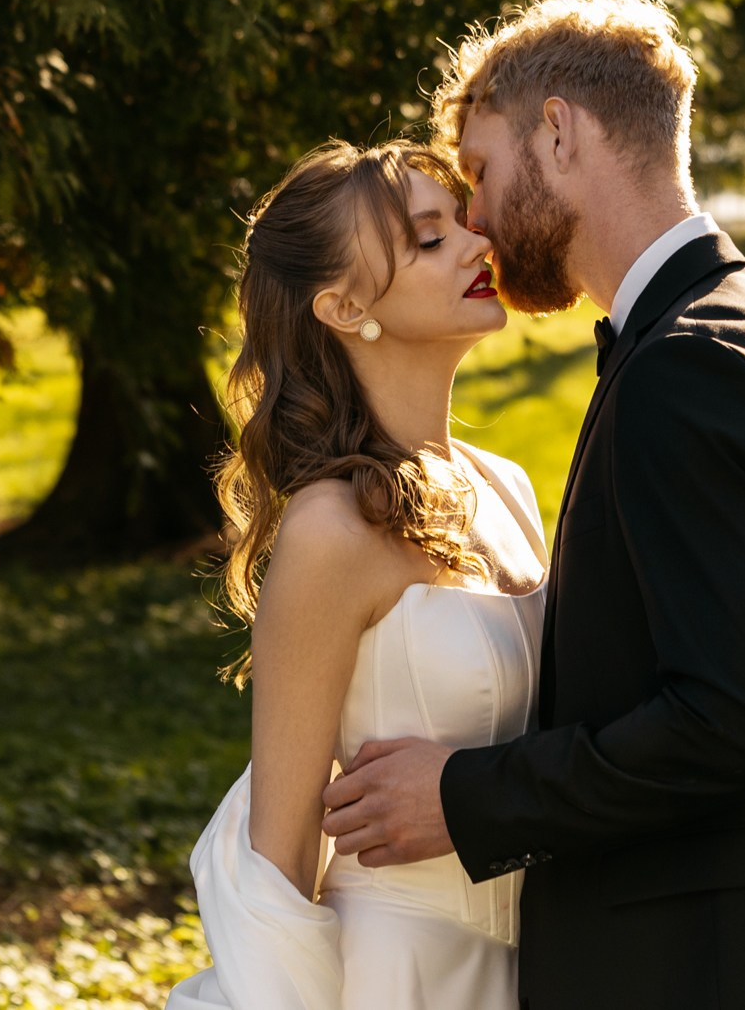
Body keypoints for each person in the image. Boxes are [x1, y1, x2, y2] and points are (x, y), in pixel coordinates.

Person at [318, 0, 745, 1010]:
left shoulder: (686, 368)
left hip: (691, 974)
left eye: (481, 171)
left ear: (559, 131)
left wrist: (466, 796)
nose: (478, 216)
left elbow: (733, 720)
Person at [169, 138, 550, 1010]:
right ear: (343, 307)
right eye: (430, 238)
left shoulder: (510, 487)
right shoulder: (330, 530)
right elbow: (278, 856)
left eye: (462, 221)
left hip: (531, 965)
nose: (477, 242)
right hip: (391, 973)